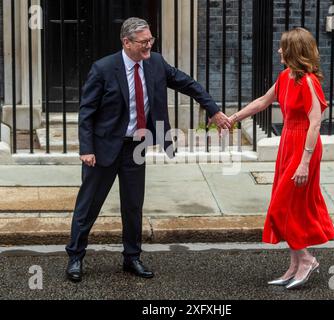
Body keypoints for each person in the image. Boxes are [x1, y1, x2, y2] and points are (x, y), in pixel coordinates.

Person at [65, 17, 231, 282]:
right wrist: (86, 148)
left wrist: (213, 109)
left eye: (151, 40)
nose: (149, 46)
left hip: (135, 146)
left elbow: (186, 83)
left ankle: (132, 258)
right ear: (126, 42)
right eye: (144, 42)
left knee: (133, 205)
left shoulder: (155, 63)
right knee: (89, 205)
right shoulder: (104, 68)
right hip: (104, 147)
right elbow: (86, 112)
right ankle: (75, 257)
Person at [229, 27, 334, 289]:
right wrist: (233, 118)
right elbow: (263, 102)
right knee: (291, 209)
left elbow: (315, 124)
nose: (278, 50)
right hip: (288, 142)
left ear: (293, 51)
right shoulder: (286, 76)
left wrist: (304, 162)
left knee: (281, 207)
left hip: (304, 147)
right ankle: (294, 265)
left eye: (282, 46)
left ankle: (307, 260)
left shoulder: (309, 82)